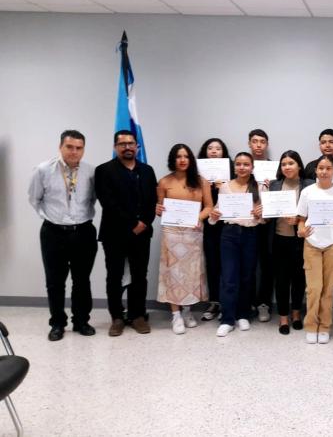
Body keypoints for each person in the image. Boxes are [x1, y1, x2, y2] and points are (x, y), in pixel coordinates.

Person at [28, 130, 98, 341]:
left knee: (82, 280)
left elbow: (92, 199)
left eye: (79, 148)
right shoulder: (43, 170)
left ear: (83, 149)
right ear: (60, 146)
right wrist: (53, 218)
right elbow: (34, 198)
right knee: (55, 282)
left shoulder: (91, 172)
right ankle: (57, 323)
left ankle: (81, 321)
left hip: (83, 231)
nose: (74, 152)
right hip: (53, 233)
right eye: (69, 147)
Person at [95, 130, 157, 337]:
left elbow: (152, 201)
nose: (127, 147)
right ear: (115, 147)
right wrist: (133, 223)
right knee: (114, 276)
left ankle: (137, 315)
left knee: (140, 276)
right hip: (115, 233)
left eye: (131, 143)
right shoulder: (104, 170)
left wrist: (144, 222)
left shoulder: (147, 170)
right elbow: (108, 202)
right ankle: (117, 317)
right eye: (122, 144)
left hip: (142, 233)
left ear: (137, 147)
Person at [155, 144, 213, 334]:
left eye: (186, 156)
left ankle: (187, 311)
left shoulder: (201, 181)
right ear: (173, 159)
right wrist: (157, 210)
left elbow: (209, 207)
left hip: (193, 233)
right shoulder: (164, 182)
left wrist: (198, 218)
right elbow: (160, 209)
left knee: (191, 273)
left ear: (191, 159)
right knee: (173, 273)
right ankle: (176, 315)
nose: (182, 160)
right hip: (171, 234)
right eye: (178, 156)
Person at [209, 152, 265, 337]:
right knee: (229, 277)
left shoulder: (259, 187)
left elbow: (264, 219)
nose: (242, 167)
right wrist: (214, 216)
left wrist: (259, 215)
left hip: (251, 234)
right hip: (229, 235)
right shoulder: (225, 187)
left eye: (246, 164)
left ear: (252, 167)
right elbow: (216, 212)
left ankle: (243, 314)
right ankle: (227, 319)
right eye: (239, 164)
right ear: (234, 167)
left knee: (247, 276)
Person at [302, 128, 333, 325]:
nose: (327, 145)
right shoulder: (310, 167)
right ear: (319, 145)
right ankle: (313, 318)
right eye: (323, 142)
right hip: (314, 234)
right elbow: (308, 200)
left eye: (331, 141)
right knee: (314, 282)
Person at [296, 155, 333, 344]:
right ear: (316, 171)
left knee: (329, 289)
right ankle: (311, 325)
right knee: (314, 288)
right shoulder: (308, 192)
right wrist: (301, 230)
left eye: (328, 168)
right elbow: (301, 219)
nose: (324, 171)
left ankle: (325, 326)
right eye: (321, 168)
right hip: (312, 244)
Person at [268, 150, 314, 335]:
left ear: (299, 166)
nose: (287, 167)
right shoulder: (274, 185)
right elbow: (269, 214)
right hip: (278, 239)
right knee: (281, 280)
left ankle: (296, 314)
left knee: (298, 278)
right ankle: (283, 317)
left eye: (291, 163)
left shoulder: (309, 185)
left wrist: (299, 220)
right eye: (284, 164)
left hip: (300, 239)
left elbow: (315, 212)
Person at [197, 138, 231, 322]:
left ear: (224, 153)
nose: (214, 151)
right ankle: (215, 302)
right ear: (205, 152)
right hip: (208, 226)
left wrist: (222, 188)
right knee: (212, 263)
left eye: (218, 148)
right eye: (210, 148)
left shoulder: (232, 175)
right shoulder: (197, 177)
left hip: (228, 226)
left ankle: (228, 301)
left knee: (229, 264)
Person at [247, 129, 275, 323]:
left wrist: (272, 185)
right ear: (249, 144)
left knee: (266, 265)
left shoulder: (274, 169)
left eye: (262, 142)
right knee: (247, 265)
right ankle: (248, 303)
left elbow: (280, 196)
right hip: (246, 222)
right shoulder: (242, 165)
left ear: (266, 144)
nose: (258, 145)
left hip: (267, 224)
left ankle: (264, 303)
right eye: (254, 141)